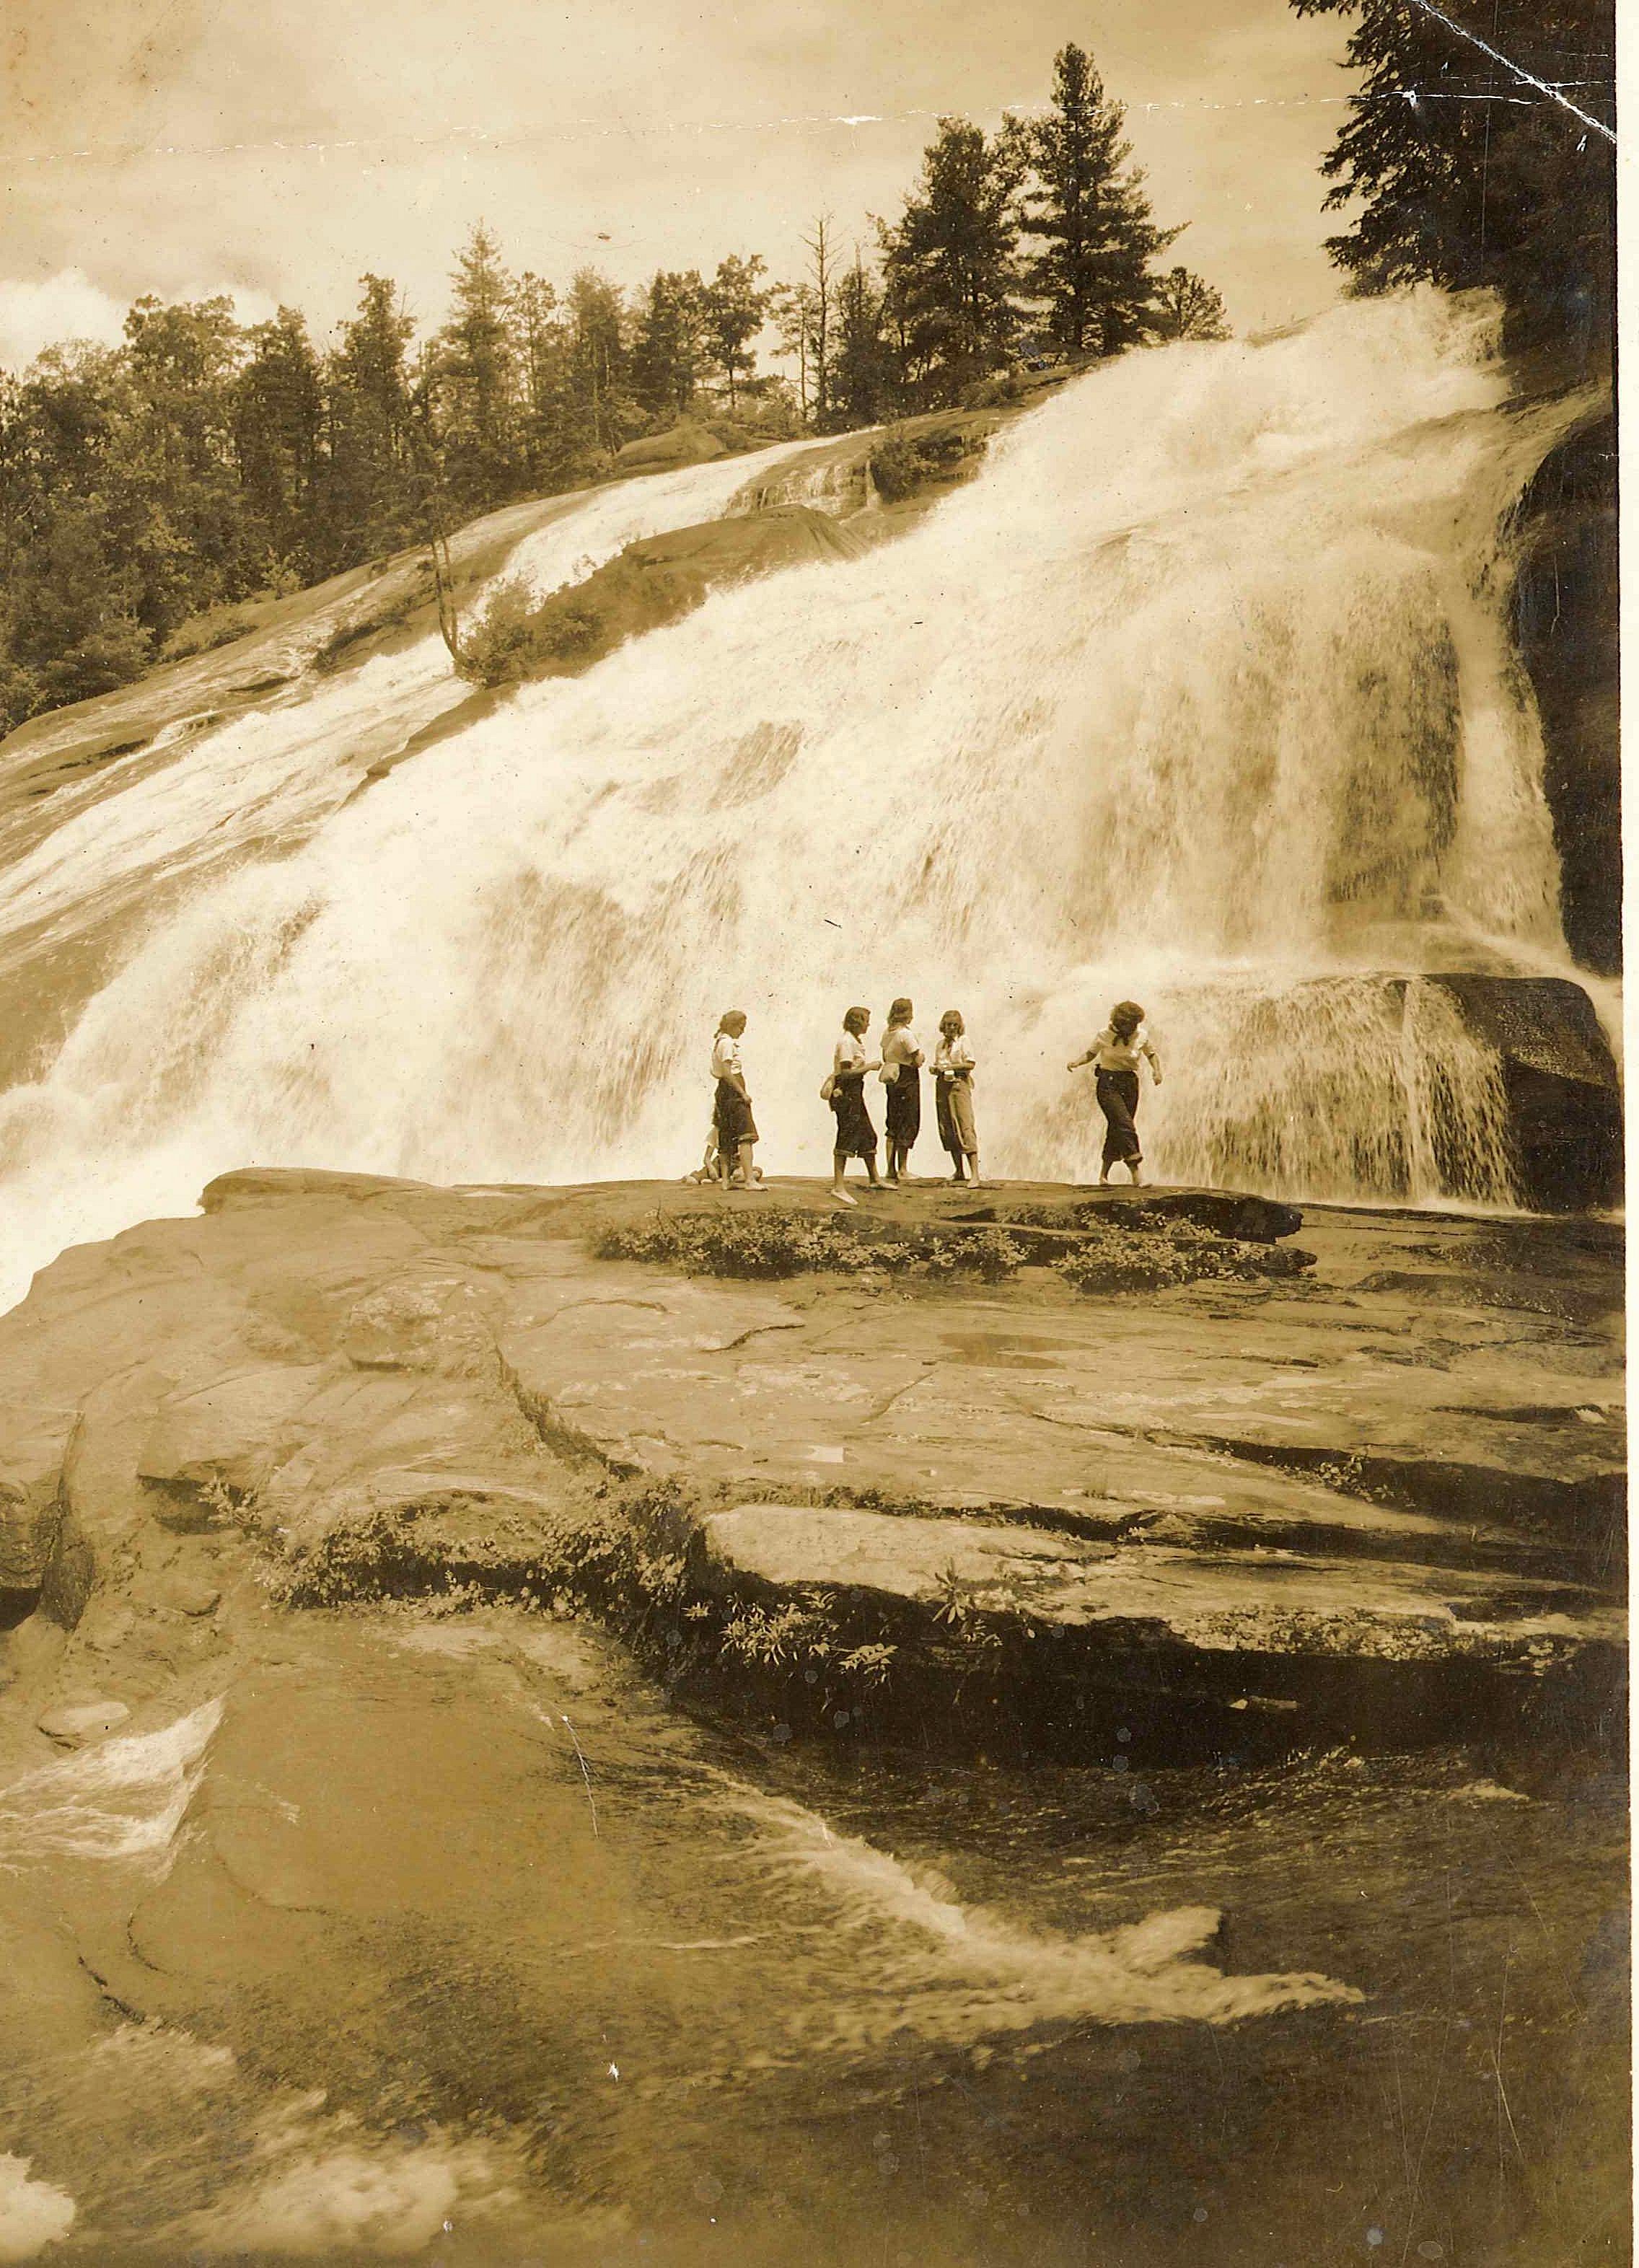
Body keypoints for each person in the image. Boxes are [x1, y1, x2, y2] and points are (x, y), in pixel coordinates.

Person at [1067, 1001, 1161, 1184]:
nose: (1134, 1027)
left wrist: (1157, 1071)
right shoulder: (1104, 1035)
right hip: (1108, 1084)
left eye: (1137, 1023)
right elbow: (1091, 1053)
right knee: (1125, 1125)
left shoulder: (1141, 1035)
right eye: (1131, 1024)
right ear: (1120, 1023)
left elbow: (1151, 1054)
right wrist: (1077, 1062)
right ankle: (1136, 1174)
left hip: (1130, 1084)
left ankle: (1103, 1175)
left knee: (1117, 1128)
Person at [827, 1005, 884, 1206]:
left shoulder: (854, 1041)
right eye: (866, 1020)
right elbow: (845, 1073)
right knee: (847, 1135)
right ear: (857, 1022)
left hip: (855, 1093)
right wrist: (869, 1067)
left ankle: (875, 1179)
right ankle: (838, 1186)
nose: (868, 1024)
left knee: (868, 1134)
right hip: (845, 1093)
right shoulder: (846, 1042)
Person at [711, 1010, 763, 1190]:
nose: (743, 1031)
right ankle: (750, 1180)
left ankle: (726, 1181)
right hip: (733, 1090)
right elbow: (727, 1071)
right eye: (741, 1027)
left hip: (723, 1092)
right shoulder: (727, 1044)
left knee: (726, 1135)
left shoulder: (719, 1041)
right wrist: (743, 1093)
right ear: (732, 1026)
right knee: (746, 1135)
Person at [933, 1009, 984, 1186]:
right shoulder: (940, 1044)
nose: (951, 1028)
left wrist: (951, 1066)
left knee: (964, 1125)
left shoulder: (964, 1041)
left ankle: (975, 1175)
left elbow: (970, 1064)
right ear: (943, 1026)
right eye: (948, 1025)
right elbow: (939, 1064)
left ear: (959, 1026)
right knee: (947, 1127)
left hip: (959, 1085)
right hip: (942, 1086)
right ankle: (959, 1171)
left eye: (955, 1025)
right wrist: (936, 1069)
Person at [879, 997, 924, 1183]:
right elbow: (917, 1060)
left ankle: (890, 1169)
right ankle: (903, 1169)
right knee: (908, 1120)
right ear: (908, 1014)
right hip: (907, 1076)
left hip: (892, 1076)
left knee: (893, 1123)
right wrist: (921, 1059)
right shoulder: (905, 1034)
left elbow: (885, 1056)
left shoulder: (887, 1033)